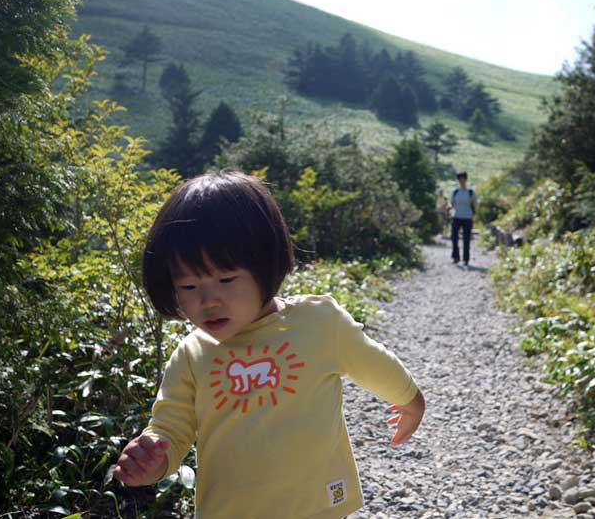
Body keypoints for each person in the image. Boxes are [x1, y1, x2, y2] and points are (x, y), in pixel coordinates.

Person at [112, 171, 425, 519]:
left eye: (226, 279)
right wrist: (153, 459)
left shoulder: (317, 323)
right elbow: (172, 427)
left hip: (316, 508)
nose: (208, 300)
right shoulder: (192, 355)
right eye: (189, 287)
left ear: (265, 264)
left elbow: (372, 361)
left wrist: (409, 399)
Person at [449, 171, 477, 266]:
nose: (461, 181)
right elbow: (451, 203)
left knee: (466, 239)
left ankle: (466, 259)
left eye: (463, 179)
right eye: (459, 179)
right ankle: (456, 257)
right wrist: (448, 208)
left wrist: (473, 216)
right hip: (456, 216)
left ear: (466, 179)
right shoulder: (455, 192)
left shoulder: (471, 192)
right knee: (454, 238)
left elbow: (475, 205)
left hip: (467, 218)